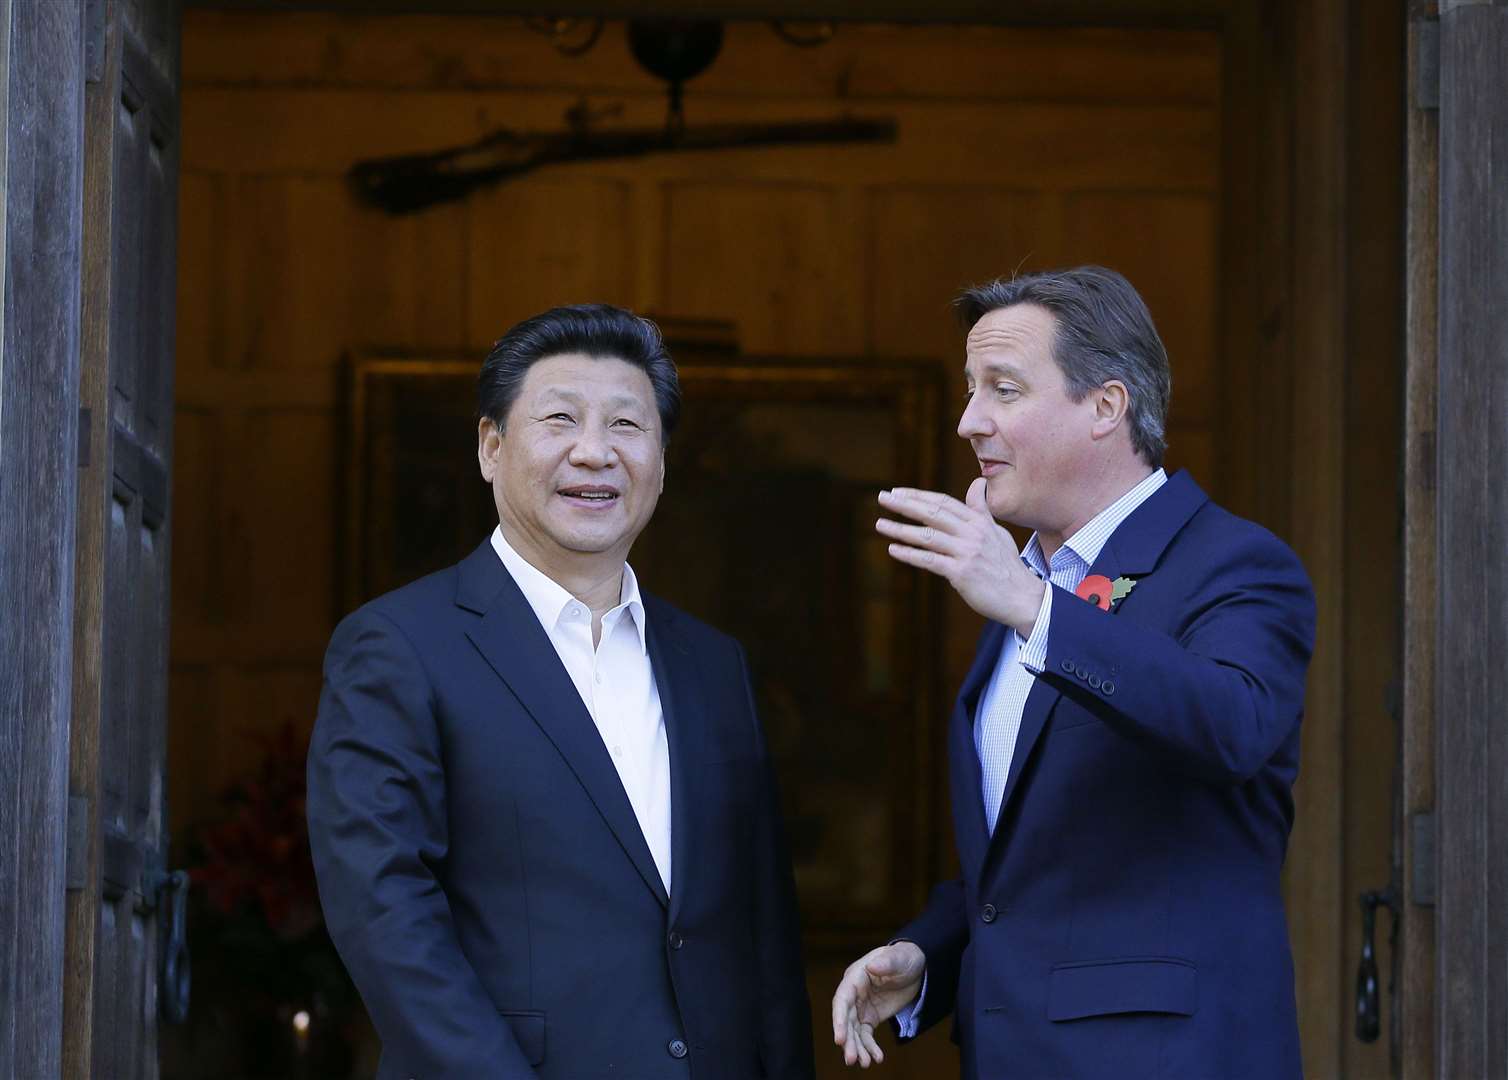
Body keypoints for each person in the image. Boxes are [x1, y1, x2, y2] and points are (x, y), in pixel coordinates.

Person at [831, 267, 1315, 1079]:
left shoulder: (1236, 563)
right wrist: (927, 955)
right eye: (969, 390)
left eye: (1004, 389)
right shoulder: (1035, 583)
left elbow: (1233, 728)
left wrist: (1031, 607)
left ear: (1106, 407)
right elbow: (1033, 858)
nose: (968, 421)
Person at [308, 303, 814, 1080]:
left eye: (625, 426)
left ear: (662, 461)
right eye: (559, 420)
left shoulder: (713, 665)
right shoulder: (400, 646)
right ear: (490, 446)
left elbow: (763, 933)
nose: (594, 453)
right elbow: (385, 912)